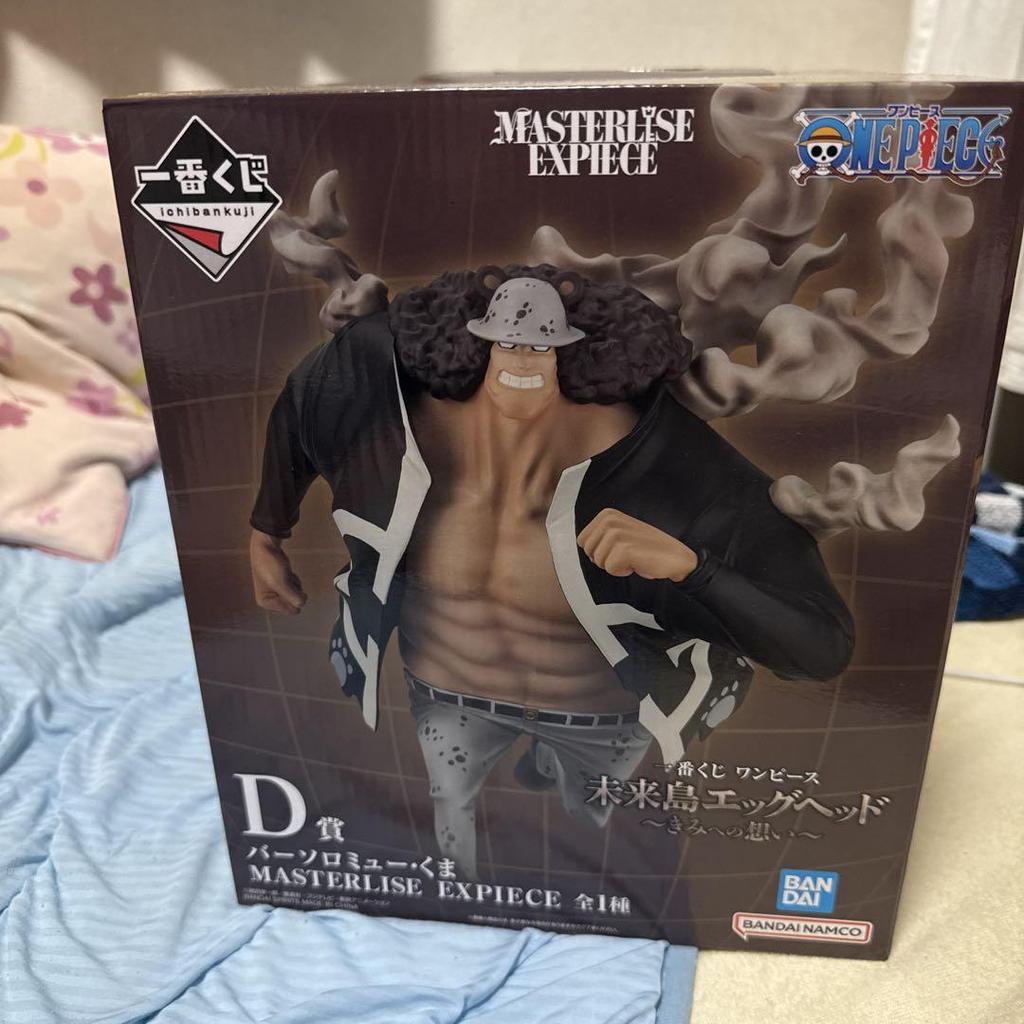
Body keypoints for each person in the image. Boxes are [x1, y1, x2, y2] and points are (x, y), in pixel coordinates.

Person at [250, 263, 854, 877]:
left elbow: (820, 647)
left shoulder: (680, 465)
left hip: (600, 714)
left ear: (580, 358)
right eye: (506, 342)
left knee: (588, 840)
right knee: (451, 834)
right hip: (449, 691)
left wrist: (690, 567)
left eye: (542, 346)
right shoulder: (395, 407)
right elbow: (307, 397)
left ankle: (554, 781)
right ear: (474, 345)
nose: (523, 358)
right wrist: (267, 530)